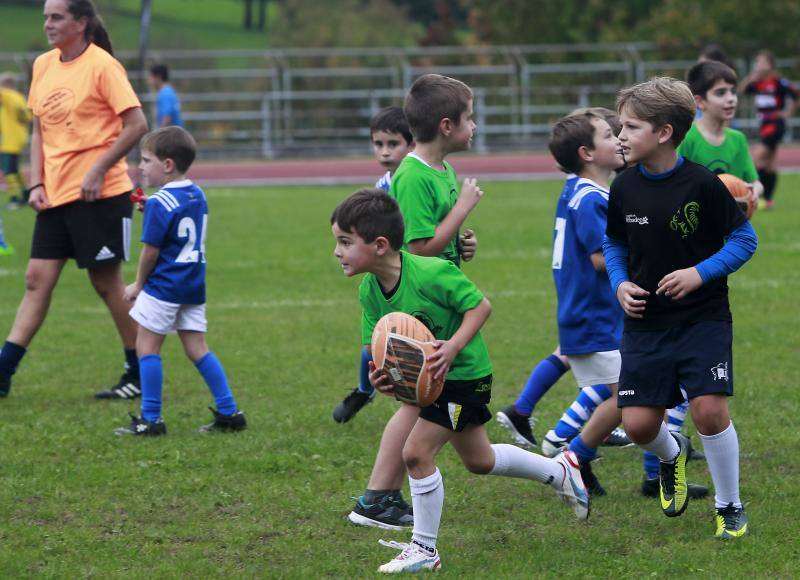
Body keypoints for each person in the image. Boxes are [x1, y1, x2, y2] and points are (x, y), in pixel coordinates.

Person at [331, 189, 589, 573]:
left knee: (416, 453)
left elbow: (480, 307)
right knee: (479, 460)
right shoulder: (370, 290)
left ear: (380, 245)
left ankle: (424, 548)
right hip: (432, 380)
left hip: (464, 375)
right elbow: (379, 349)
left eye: (345, 242)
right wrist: (383, 379)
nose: (337, 252)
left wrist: (451, 348)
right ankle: (561, 471)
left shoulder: (432, 272)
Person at [605, 77, 757, 539]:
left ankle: (729, 505)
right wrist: (620, 283)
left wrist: (699, 273)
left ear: (664, 132)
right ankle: (672, 455)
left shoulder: (703, 184)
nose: (620, 136)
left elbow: (745, 239)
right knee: (637, 424)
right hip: (646, 322)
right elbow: (614, 242)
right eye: (619, 127)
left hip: (702, 317)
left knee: (710, 410)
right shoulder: (625, 185)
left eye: (630, 127)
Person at [345, 74, 485, 530]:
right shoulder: (411, 174)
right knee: (417, 405)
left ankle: (377, 497)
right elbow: (417, 249)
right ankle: (379, 498)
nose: (475, 126)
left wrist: (460, 245)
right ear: (447, 126)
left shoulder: (442, 171)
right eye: (470, 118)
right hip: (421, 306)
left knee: (462, 441)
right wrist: (463, 209)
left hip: (440, 299)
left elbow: (436, 245)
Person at [0, 0, 148, 400]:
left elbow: (137, 124)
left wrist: (98, 169)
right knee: (36, 280)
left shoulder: (102, 65)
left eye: (57, 17)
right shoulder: (44, 65)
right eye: (46, 16)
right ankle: (3, 371)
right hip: (55, 196)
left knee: (106, 285)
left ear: (81, 22)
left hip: (100, 195)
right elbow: (40, 132)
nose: (47, 23)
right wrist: (35, 184)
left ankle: (139, 372)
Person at [497, 108, 629, 451]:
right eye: (609, 136)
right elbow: (602, 260)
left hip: (591, 311)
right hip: (593, 313)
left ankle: (575, 452)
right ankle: (570, 450)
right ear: (586, 153)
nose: (619, 140)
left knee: (629, 392)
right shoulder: (589, 199)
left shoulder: (581, 190)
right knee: (632, 395)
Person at [114, 126, 246, 435]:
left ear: (168, 165)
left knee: (146, 348)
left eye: (146, 161)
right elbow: (181, 221)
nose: (142, 167)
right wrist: (151, 207)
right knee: (197, 348)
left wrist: (137, 285)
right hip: (192, 284)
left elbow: (150, 252)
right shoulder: (196, 193)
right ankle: (229, 412)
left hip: (164, 286)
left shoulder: (161, 202)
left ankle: (151, 420)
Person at [332, 106, 415, 423]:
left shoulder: (417, 180)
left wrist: (464, 242)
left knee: (416, 345)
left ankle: (438, 406)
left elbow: (435, 225)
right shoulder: (382, 187)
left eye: (392, 144)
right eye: (378, 144)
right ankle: (365, 390)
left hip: (416, 276)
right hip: (384, 277)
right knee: (373, 344)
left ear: (411, 144)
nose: (383, 152)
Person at [739, 50, 799, 209]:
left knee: (756, 159)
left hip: (776, 125)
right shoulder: (757, 82)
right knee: (770, 164)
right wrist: (752, 75)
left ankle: (747, 196)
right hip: (764, 125)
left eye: (762, 62)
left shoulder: (779, 82)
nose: (758, 65)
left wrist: (787, 113)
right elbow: (742, 90)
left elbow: (796, 94)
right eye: (757, 62)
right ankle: (769, 200)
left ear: (770, 65)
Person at [0, 73, 33, 216]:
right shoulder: (20, 98)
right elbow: (28, 117)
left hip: (10, 140)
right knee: (15, 169)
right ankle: (26, 194)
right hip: (19, 138)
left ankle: (15, 198)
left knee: (9, 171)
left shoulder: (7, 95)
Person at [148, 63, 183, 128]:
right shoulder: (169, 91)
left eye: (151, 76)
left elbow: (167, 117)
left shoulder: (165, 94)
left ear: (158, 77)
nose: (149, 79)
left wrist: (159, 135)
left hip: (170, 135)